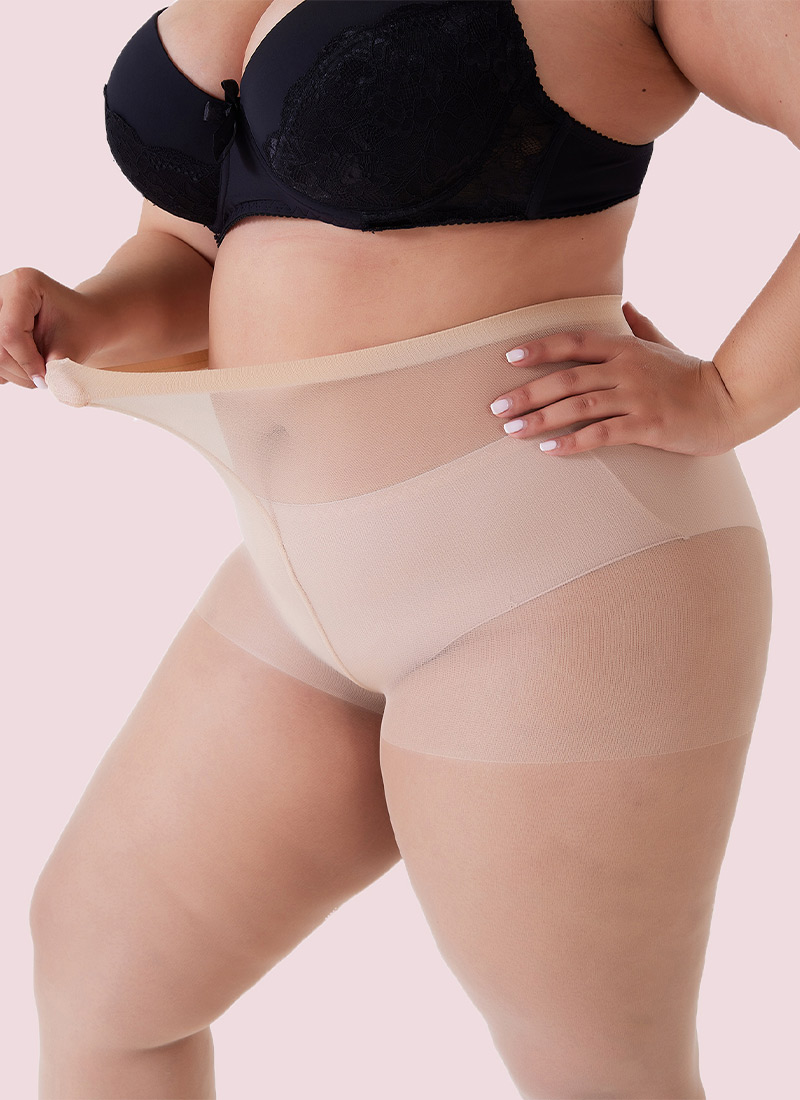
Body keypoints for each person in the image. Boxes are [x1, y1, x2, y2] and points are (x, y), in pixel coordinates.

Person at [1, 1, 797, 1097]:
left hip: (556, 579)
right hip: (303, 579)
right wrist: (83, 312)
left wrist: (729, 393)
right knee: (100, 982)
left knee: (597, 1075)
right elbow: (194, 245)